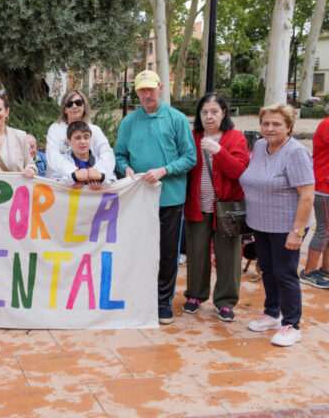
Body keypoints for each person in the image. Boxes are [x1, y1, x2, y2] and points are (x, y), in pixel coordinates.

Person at [114, 70, 195, 325]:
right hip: (138, 199)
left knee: (168, 252)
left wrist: (165, 169)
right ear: (136, 92)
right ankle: (139, 297)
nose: (146, 95)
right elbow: (120, 154)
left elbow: (190, 157)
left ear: (160, 88)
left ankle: (163, 302)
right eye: (141, 90)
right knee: (138, 249)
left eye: (150, 89)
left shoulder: (177, 119)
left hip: (169, 198)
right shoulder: (129, 122)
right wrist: (124, 168)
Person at [240, 103, 315, 347]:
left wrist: (297, 231)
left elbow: (307, 195)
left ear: (289, 127)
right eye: (266, 123)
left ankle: (292, 324)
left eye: (276, 124)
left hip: (287, 226)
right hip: (261, 223)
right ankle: (272, 313)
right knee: (267, 269)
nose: (270, 128)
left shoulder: (296, 153)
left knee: (285, 273)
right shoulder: (261, 146)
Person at [182, 93, 249, 322]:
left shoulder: (235, 137)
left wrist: (218, 151)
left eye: (214, 112)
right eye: (204, 112)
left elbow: (239, 171)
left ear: (223, 113)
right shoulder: (193, 136)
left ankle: (226, 301)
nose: (209, 116)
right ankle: (194, 295)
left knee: (228, 256)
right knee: (196, 252)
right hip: (198, 205)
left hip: (227, 207)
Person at [45, 89, 115, 181]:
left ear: (84, 107)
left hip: (92, 184)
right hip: (62, 184)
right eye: (69, 104)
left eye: (78, 103)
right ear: (64, 109)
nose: (74, 106)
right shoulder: (55, 129)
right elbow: (52, 156)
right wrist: (74, 174)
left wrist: (96, 174)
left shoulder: (95, 130)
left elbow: (107, 153)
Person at [299, 104, 329, 289]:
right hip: (323, 185)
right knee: (323, 230)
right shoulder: (327, 124)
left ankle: (325, 269)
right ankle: (309, 272)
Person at [58, 121, 115, 188]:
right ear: (69, 141)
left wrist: (101, 177)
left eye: (86, 137)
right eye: (78, 138)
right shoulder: (61, 161)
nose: (82, 141)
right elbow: (52, 183)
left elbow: (114, 182)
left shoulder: (100, 161)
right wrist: (73, 178)